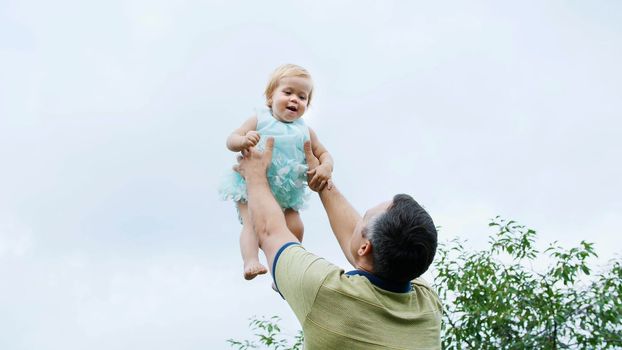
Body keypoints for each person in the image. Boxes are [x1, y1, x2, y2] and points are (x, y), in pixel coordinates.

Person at [235, 138, 442, 349]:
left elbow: (270, 232)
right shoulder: (428, 306)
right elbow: (366, 251)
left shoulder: (325, 291)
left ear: (365, 247)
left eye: (363, 217)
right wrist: (323, 183)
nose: (356, 221)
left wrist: (255, 174)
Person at [220, 64, 334, 280]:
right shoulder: (260, 118)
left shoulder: (305, 130)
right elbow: (231, 139)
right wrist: (243, 140)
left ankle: (280, 272)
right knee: (252, 225)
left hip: (287, 191)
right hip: (251, 186)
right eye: (288, 92)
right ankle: (251, 260)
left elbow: (324, 153)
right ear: (270, 97)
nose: (294, 100)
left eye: (302, 97)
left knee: (295, 227)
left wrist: (326, 166)